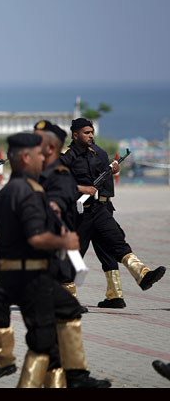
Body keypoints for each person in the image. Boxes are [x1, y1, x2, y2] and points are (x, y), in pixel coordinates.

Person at [0, 122, 110, 388]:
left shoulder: (55, 174)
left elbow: (55, 203)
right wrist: (62, 238)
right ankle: (72, 377)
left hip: (40, 266)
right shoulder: (26, 185)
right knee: (44, 343)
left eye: (40, 144)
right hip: (33, 270)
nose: (39, 152)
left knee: (65, 315)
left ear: (49, 147)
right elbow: (36, 224)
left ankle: (74, 376)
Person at [60, 118, 166, 308]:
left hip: (100, 210)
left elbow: (103, 181)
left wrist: (113, 171)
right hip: (78, 213)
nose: (91, 135)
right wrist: (81, 189)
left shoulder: (96, 153)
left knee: (117, 243)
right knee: (75, 255)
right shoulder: (66, 156)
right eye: (86, 132)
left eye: (92, 132)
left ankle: (142, 275)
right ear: (75, 135)